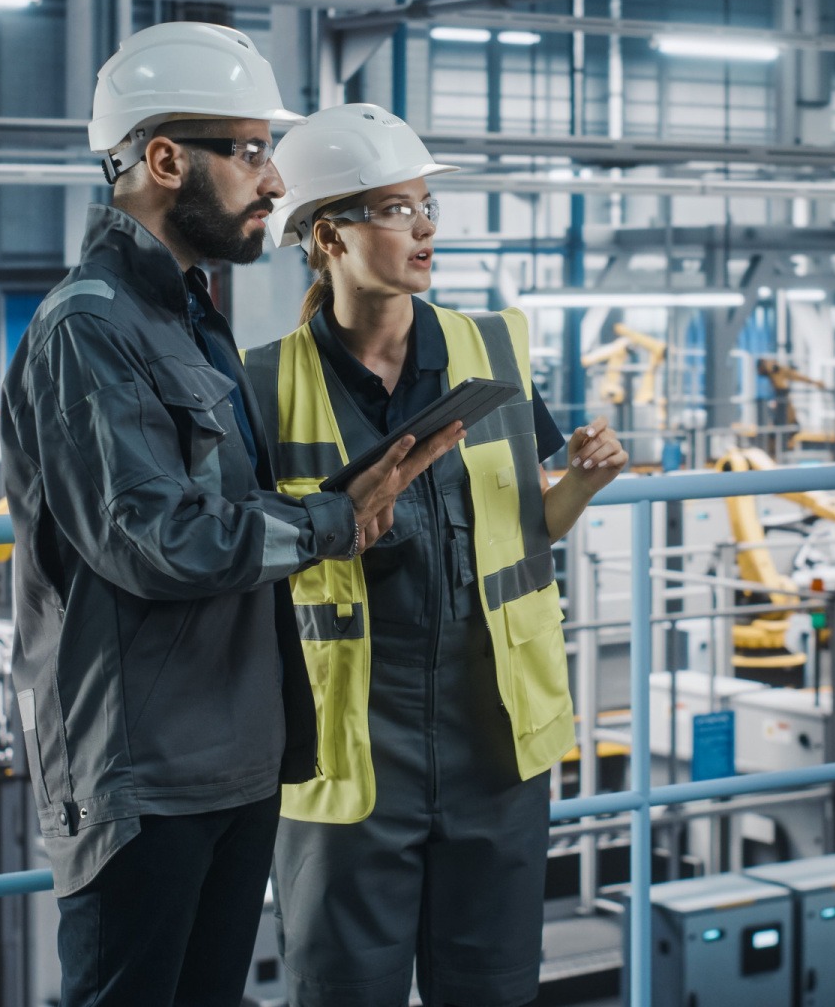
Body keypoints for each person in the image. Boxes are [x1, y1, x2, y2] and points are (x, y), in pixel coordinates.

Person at [0, 27, 459, 1007]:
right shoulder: (89, 327)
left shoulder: (193, 318)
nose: (273, 179)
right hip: (143, 773)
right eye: (249, 151)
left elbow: (221, 513)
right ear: (165, 160)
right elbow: (152, 541)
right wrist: (333, 520)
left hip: (233, 757)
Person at [246, 103, 629, 1007]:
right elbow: (243, 554)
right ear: (326, 236)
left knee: (492, 987)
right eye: (393, 210)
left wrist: (582, 481)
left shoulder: (490, 347)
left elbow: (531, 524)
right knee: (342, 989)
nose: (422, 228)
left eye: (426, 208)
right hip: (345, 751)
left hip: (493, 738)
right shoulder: (262, 385)